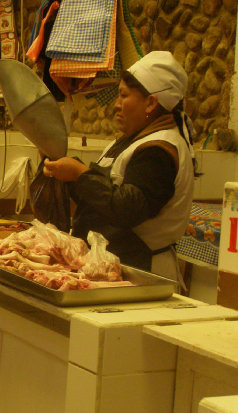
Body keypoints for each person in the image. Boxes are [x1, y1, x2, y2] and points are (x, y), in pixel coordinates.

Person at [43, 51, 195, 282]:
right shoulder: (131, 140)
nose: (116, 105)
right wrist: (66, 174)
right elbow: (105, 194)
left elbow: (128, 209)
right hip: (114, 270)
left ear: (151, 102)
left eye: (123, 96)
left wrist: (79, 174)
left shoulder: (158, 150)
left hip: (143, 275)